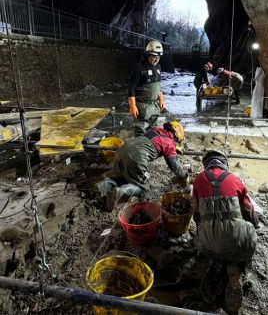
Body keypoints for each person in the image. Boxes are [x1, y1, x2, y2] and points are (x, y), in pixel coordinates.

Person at [191, 150, 258, 314]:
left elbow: (196, 214)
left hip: (207, 246)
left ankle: (215, 263)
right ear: (224, 164)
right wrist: (253, 223)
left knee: (210, 239)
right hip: (238, 244)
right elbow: (249, 212)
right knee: (245, 232)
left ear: (206, 165)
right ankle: (234, 270)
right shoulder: (235, 179)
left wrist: (209, 228)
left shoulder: (198, 179)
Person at [95, 121, 188, 210]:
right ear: (176, 136)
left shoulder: (156, 130)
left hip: (123, 149)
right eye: (176, 141)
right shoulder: (169, 144)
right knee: (142, 188)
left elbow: (158, 141)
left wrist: (173, 148)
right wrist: (184, 175)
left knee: (121, 176)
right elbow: (174, 167)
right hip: (136, 156)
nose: (175, 142)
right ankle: (121, 192)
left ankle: (104, 184)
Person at [128, 40, 166, 136]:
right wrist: (132, 106)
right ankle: (140, 148)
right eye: (154, 56)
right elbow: (131, 88)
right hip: (142, 106)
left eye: (158, 57)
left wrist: (161, 99)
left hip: (154, 105)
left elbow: (158, 85)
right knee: (140, 130)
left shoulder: (158, 67)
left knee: (154, 131)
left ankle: (151, 148)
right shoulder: (139, 67)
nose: (156, 59)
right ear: (148, 54)